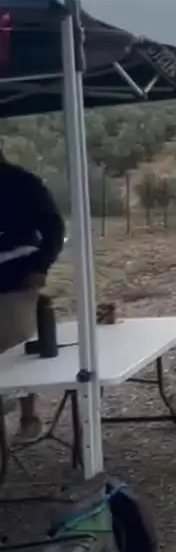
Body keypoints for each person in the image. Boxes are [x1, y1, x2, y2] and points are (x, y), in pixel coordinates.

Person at [0, 146, 66, 441]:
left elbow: (53, 226)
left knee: (16, 350)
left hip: (17, 278)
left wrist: (40, 266)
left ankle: (29, 417)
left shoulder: (23, 183)